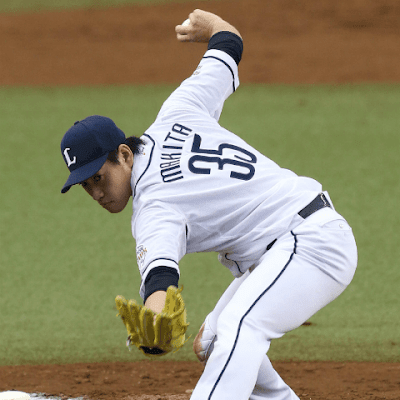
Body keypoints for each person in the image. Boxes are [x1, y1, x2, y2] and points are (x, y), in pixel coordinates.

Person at [60, 9, 358, 400]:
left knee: (239, 327)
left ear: (124, 155)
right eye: (85, 186)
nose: (96, 193)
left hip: (311, 245)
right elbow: (229, 45)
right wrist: (214, 26)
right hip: (296, 240)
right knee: (214, 342)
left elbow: (160, 277)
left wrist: (154, 320)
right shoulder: (177, 110)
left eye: (99, 177)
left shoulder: (154, 206)